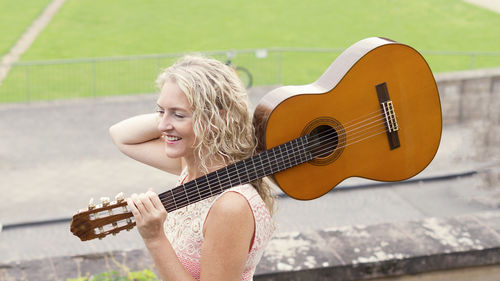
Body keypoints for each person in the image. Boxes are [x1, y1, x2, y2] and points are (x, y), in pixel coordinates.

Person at [109, 55, 275, 281]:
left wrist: (155, 238)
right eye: (160, 111)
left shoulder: (232, 206)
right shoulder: (193, 164)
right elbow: (120, 136)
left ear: (217, 119)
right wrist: (172, 114)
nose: (162, 125)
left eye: (178, 114)